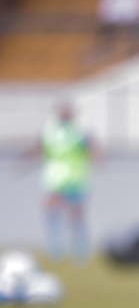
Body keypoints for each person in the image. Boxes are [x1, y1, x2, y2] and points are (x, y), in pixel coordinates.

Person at [35, 101, 96, 264]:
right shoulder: (50, 130)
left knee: (77, 218)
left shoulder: (81, 130)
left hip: (76, 179)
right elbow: (40, 149)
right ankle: (56, 252)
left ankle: (81, 253)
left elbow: (92, 149)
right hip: (55, 180)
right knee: (53, 216)